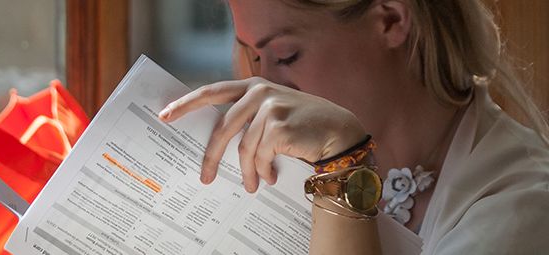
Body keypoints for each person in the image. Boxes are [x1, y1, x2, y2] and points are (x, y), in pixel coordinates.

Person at [158, 0, 549, 254]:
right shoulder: (288, 172)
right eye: (253, 56)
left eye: (286, 54)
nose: (267, 86)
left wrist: (343, 168)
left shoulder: (521, 212)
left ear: (391, 19)